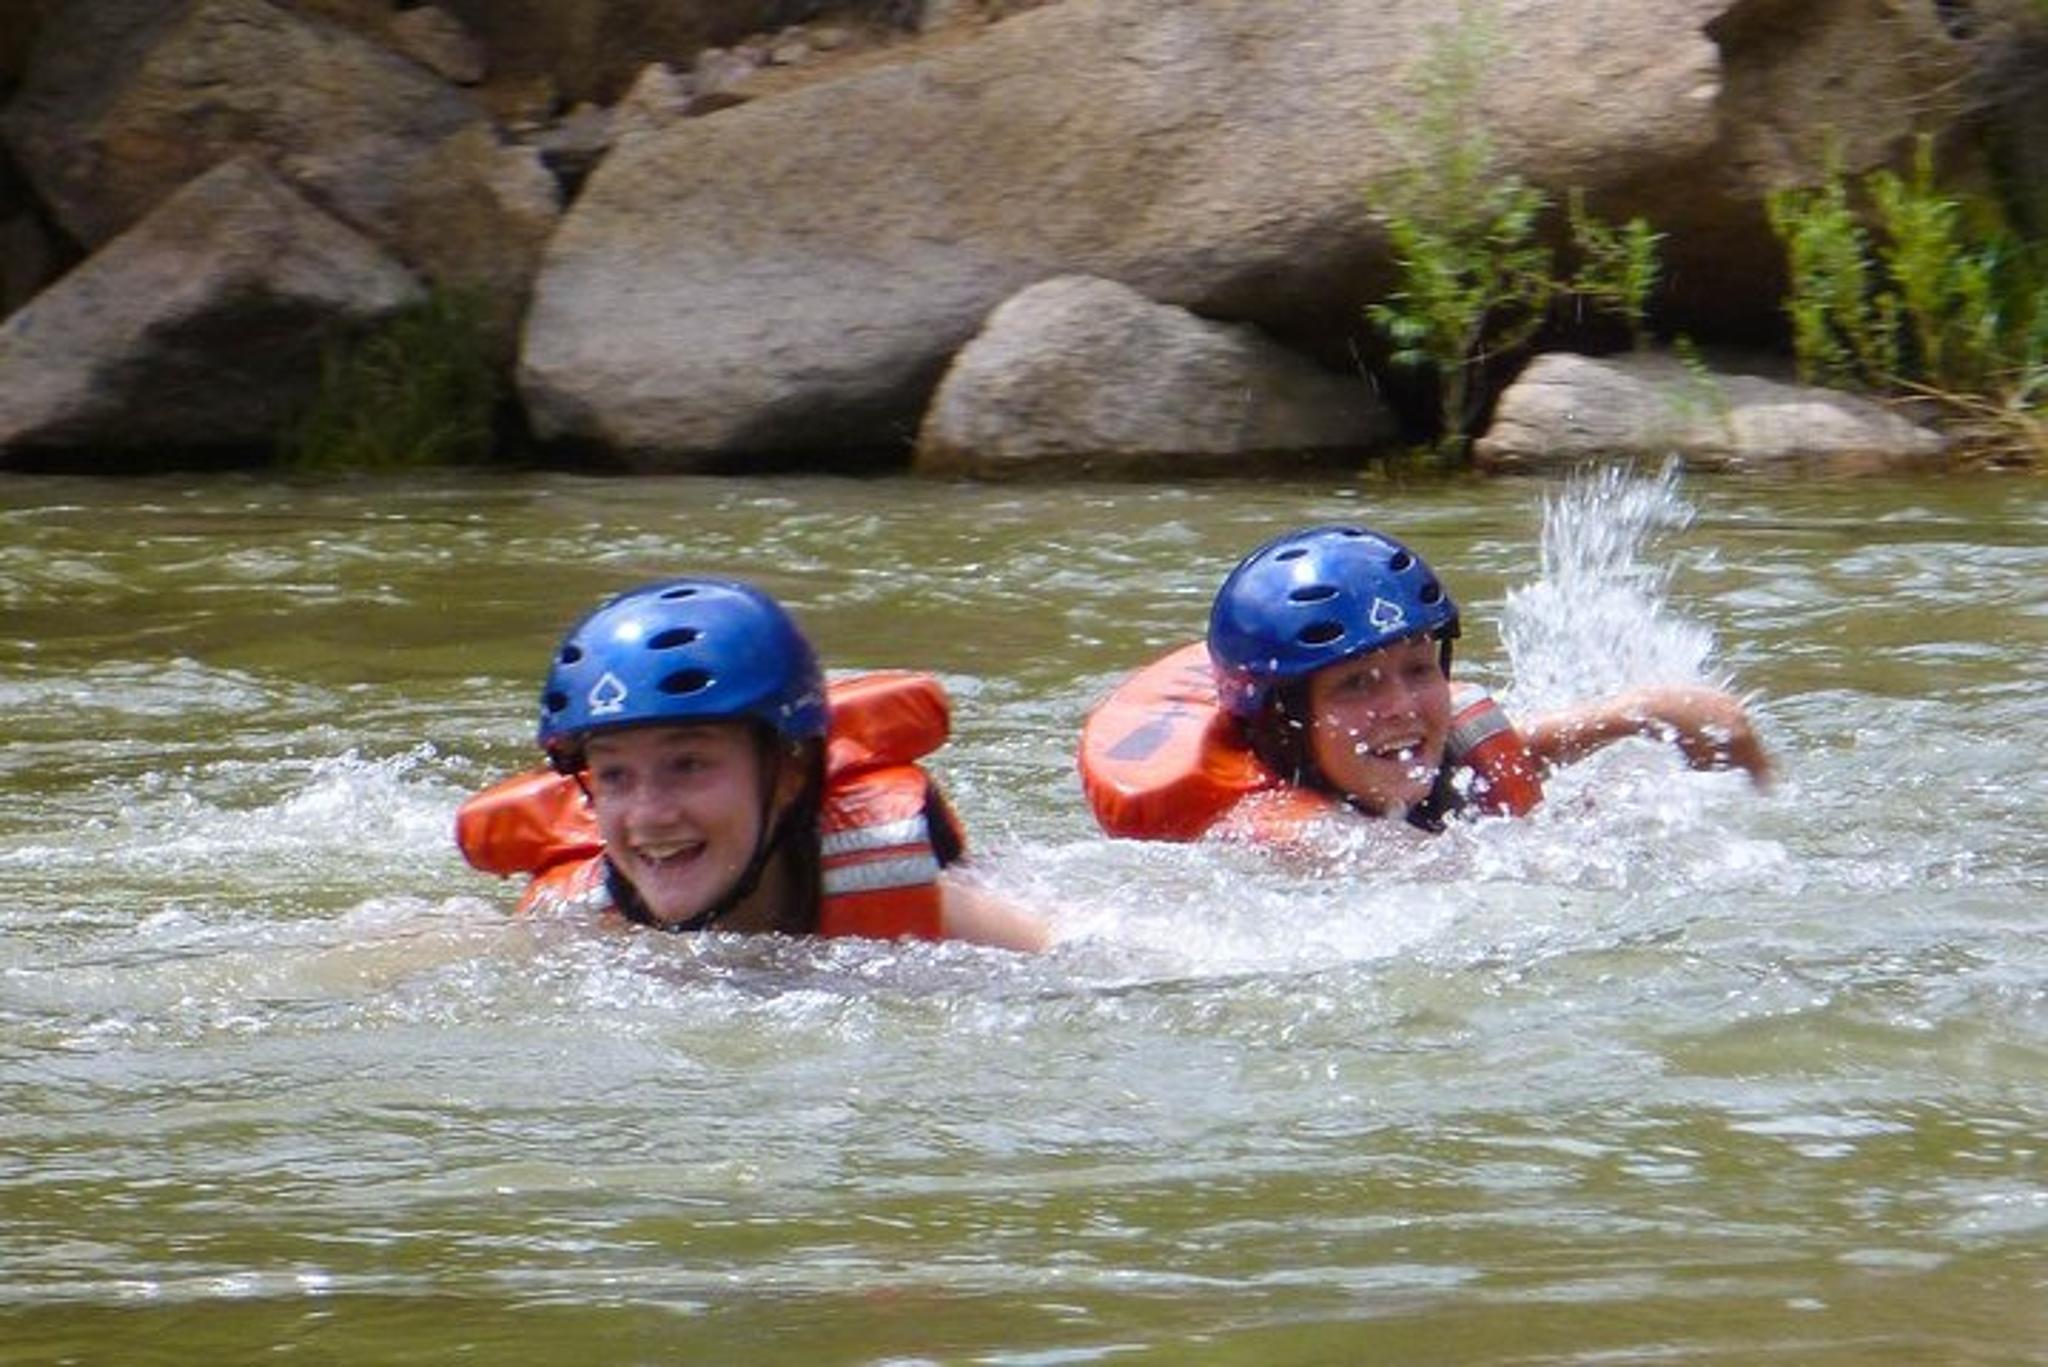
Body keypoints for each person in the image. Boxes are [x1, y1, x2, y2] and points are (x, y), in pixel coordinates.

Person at [457, 577, 1049, 950]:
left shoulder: (897, 882)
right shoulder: (583, 922)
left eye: (688, 764)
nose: (649, 815)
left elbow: (1093, 954)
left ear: (789, 772)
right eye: (613, 774)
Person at [1079, 523, 1771, 842]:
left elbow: (1705, 715)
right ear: (1285, 718)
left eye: (1418, 670)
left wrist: (1745, 783)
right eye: (1356, 686)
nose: (1403, 708)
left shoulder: (1448, 740)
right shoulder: (1278, 832)